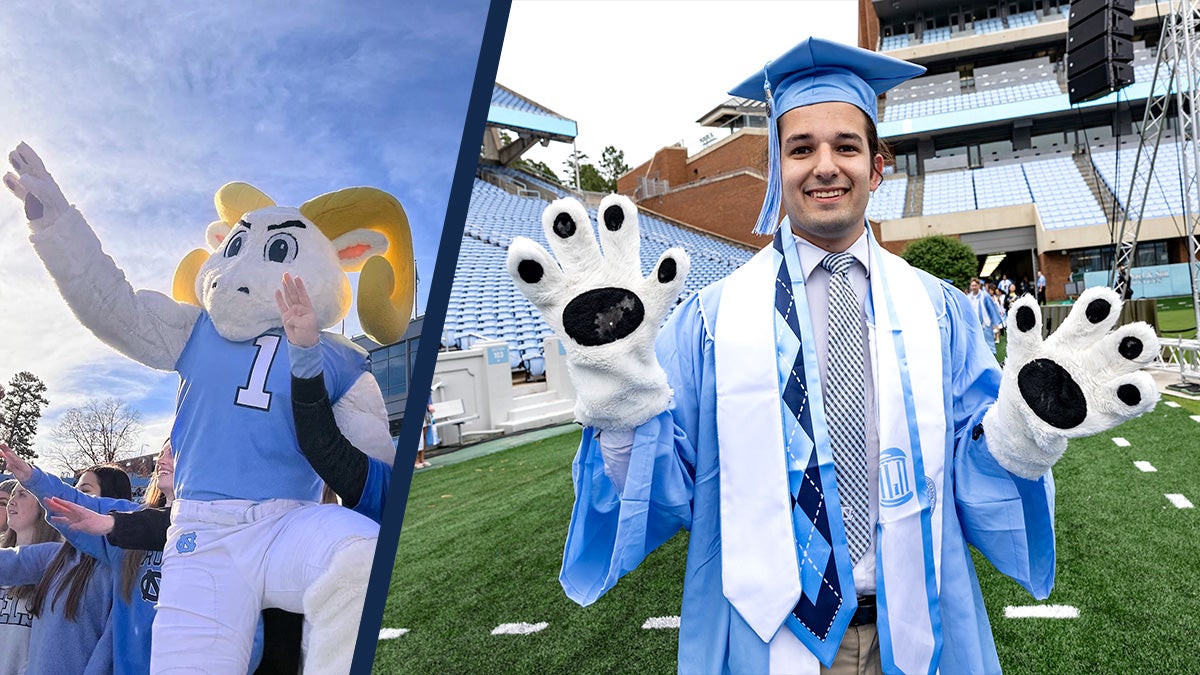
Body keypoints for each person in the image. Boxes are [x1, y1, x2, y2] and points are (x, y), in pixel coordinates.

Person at [506, 37, 1159, 673]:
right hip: (761, 640)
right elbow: (666, 485)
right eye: (801, 148)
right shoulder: (709, 321)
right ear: (777, 168)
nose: (824, 165)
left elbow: (971, 473)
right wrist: (619, 402)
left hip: (917, 630)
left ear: (877, 167)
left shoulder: (941, 312)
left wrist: (1018, 437)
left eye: (846, 146)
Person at [0, 465, 128, 674]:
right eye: (74, 490)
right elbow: (11, 562)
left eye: (85, 492)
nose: (74, 498)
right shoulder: (56, 556)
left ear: (109, 504)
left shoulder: (117, 571)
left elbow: (106, 655)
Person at [0, 480, 60, 675]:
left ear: (43, 509)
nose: (12, 501)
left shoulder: (57, 565)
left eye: (22, 495)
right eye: (12, 495)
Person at [968, 277, 1004, 355]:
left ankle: (992, 361)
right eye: (972, 285)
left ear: (979, 285)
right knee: (976, 344)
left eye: (975, 285)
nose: (974, 287)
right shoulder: (969, 297)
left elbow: (992, 309)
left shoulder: (985, 295)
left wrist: (996, 323)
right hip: (974, 324)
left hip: (985, 323)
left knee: (989, 343)